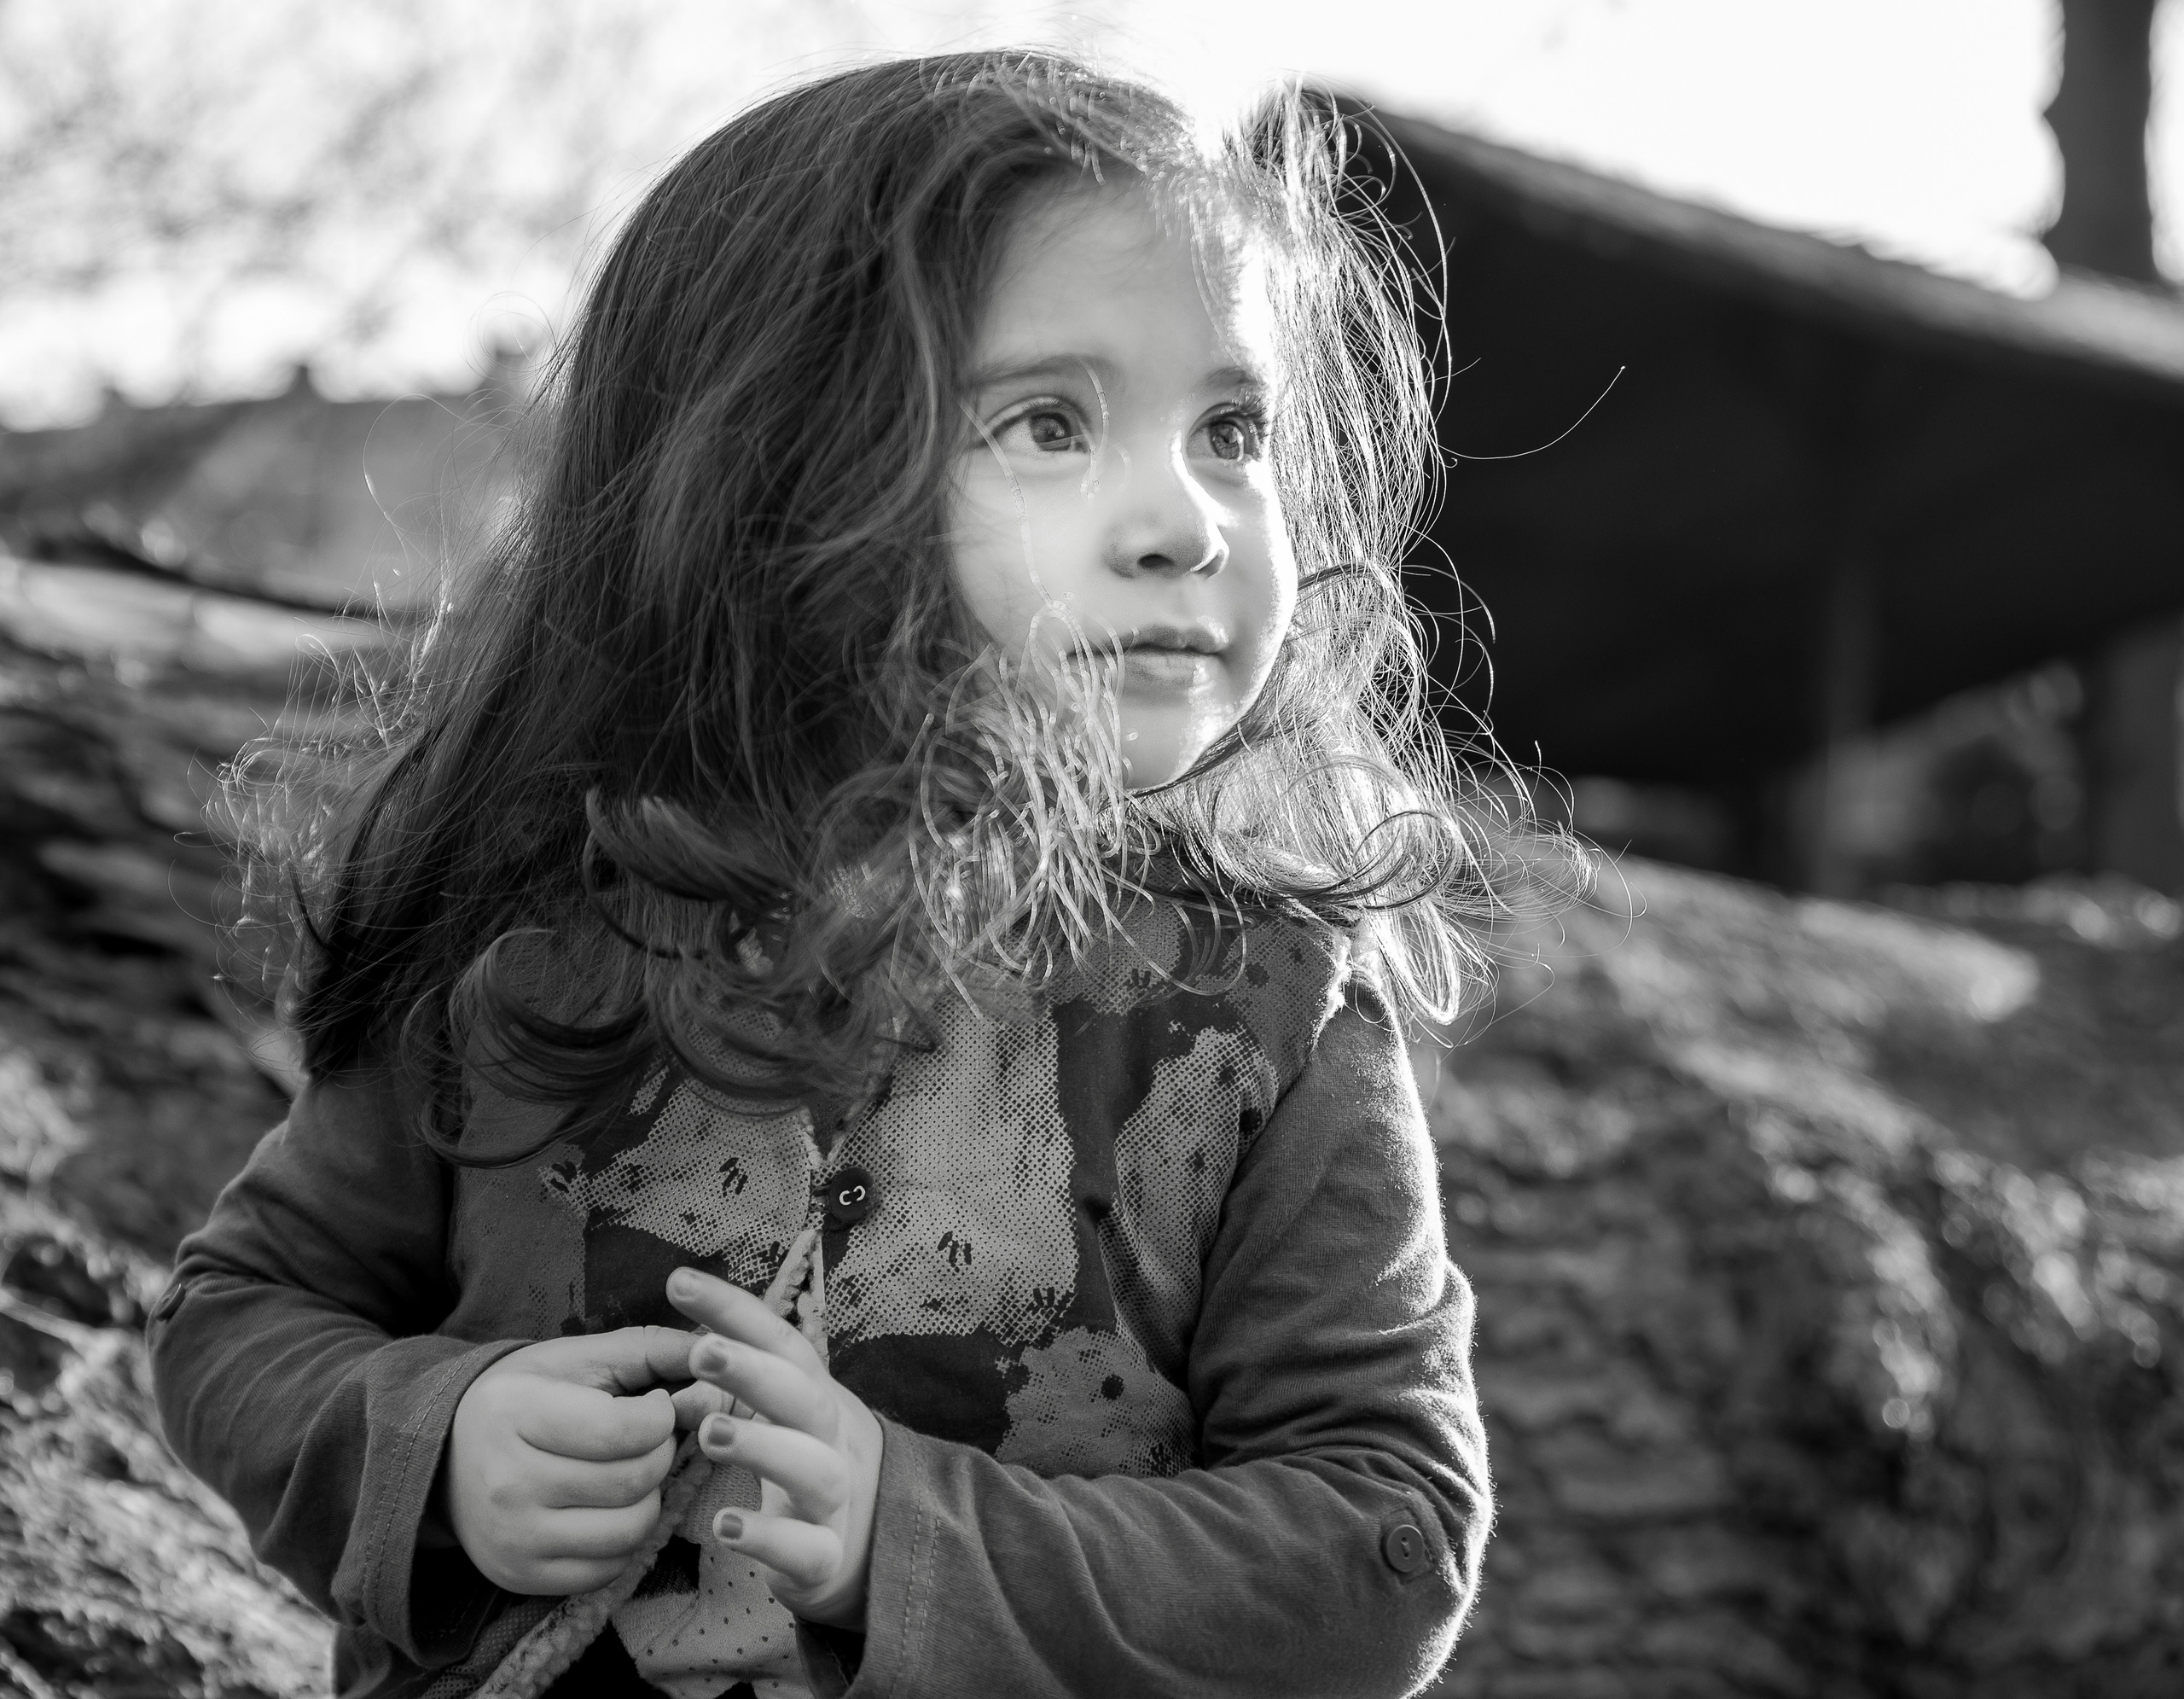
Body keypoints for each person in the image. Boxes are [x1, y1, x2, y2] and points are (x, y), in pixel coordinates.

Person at [152, 48, 1538, 1699]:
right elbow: (244, 1316)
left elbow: (1385, 1533)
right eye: (1047, 423)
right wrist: (434, 1447)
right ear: (772, 471)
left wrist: (914, 1528)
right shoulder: (533, 918)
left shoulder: (1277, 1005)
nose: (1188, 520)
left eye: (1233, 426)